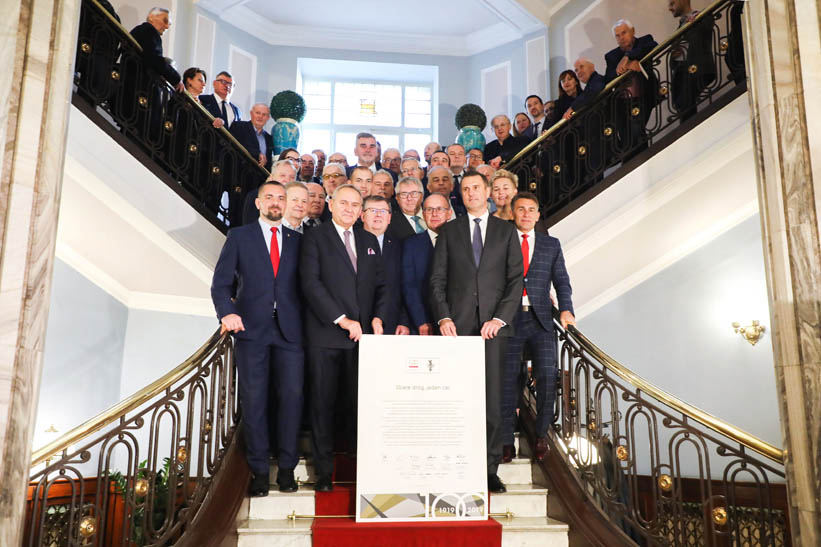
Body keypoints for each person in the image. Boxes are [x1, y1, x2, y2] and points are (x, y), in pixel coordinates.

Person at [429, 171, 523, 494]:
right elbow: (437, 280)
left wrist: (499, 319)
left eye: (476, 188)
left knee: (491, 401)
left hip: (493, 330)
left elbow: (516, 280)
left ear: (488, 192)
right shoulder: (449, 231)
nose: (471, 193)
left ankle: (489, 469)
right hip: (456, 330)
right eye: (465, 189)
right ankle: (454, 464)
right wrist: (443, 318)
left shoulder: (506, 231)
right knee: (455, 399)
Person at [211, 181, 304, 496]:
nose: (276, 202)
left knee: (292, 398)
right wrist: (227, 313)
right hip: (251, 329)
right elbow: (221, 284)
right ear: (259, 203)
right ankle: (260, 471)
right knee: (254, 401)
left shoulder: (298, 240)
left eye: (281, 198)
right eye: (270, 197)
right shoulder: (240, 236)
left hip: (291, 332)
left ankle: (287, 469)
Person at [300, 184, 387, 492]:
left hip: (362, 339)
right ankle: (324, 473)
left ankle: (361, 470)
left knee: (359, 404)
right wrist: (342, 319)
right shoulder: (314, 237)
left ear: (360, 211)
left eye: (355, 205)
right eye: (344, 203)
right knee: (322, 405)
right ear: (331, 204)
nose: (349, 209)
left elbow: (381, 285)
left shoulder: (368, 240)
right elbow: (311, 284)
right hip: (325, 336)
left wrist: (378, 317)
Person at [502, 192, 574, 463]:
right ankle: (506, 440)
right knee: (507, 380)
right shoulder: (502, 240)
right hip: (509, 319)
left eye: (531, 209)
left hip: (540, 319)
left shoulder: (550, 244)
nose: (526, 214)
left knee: (547, 375)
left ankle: (542, 435)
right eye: (521, 209)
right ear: (513, 213)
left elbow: (562, 280)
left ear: (538, 214)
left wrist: (566, 309)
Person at [604, 19, 658, 160]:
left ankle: (641, 160)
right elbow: (608, 77)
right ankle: (633, 162)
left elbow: (652, 46)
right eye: (617, 35)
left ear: (632, 31)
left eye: (624, 33)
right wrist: (624, 68)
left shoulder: (645, 40)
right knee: (627, 135)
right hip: (623, 102)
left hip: (644, 95)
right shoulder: (611, 56)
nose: (621, 38)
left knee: (636, 128)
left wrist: (628, 57)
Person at [401, 193, 452, 335]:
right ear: (423, 214)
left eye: (440, 209)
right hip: (423, 323)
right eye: (429, 209)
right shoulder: (410, 244)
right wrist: (420, 320)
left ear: (449, 213)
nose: (434, 214)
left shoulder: (462, 243)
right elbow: (408, 286)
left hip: (456, 322)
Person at [361, 195, 410, 335]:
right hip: (357, 323)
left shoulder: (399, 247)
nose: (378, 215)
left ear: (389, 218)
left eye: (383, 211)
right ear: (362, 216)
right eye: (372, 210)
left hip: (392, 325)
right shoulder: (350, 243)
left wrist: (403, 321)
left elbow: (405, 287)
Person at [668, 0, 717, 121]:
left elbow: (708, 25)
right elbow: (673, 62)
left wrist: (693, 23)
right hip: (682, 74)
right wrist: (674, 55)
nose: (670, 8)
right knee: (682, 103)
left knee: (686, 101)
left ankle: (688, 127)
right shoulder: (679, 28)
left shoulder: (702, 16)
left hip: (699, 69)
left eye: (672, 3)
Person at [242, 160, 297, 224]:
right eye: (282, 175)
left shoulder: (298, 200)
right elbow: (249, 225)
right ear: (272, 177)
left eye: (292, 177)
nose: (287, 180)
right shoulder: (255, 196)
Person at [229, 103, 274, 170]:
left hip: (259, 175)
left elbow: (268, 163)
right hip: (238, 172)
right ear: (251, 113)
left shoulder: (269, 138)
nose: (260, 116)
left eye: (264, 114)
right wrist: (257, 154)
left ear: (268, 118)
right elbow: (236, 146)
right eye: (258, 113)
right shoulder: (238, 127)